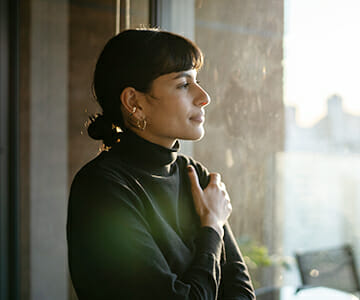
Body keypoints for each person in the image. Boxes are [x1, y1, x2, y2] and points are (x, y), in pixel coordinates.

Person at [67, 28, 255, 300]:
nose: (204, 97)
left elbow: (242, 293)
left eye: (197, 81)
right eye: (183, 84)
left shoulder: (195, 174)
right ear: (134, 102)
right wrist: (212, 228)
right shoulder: (101, 188)